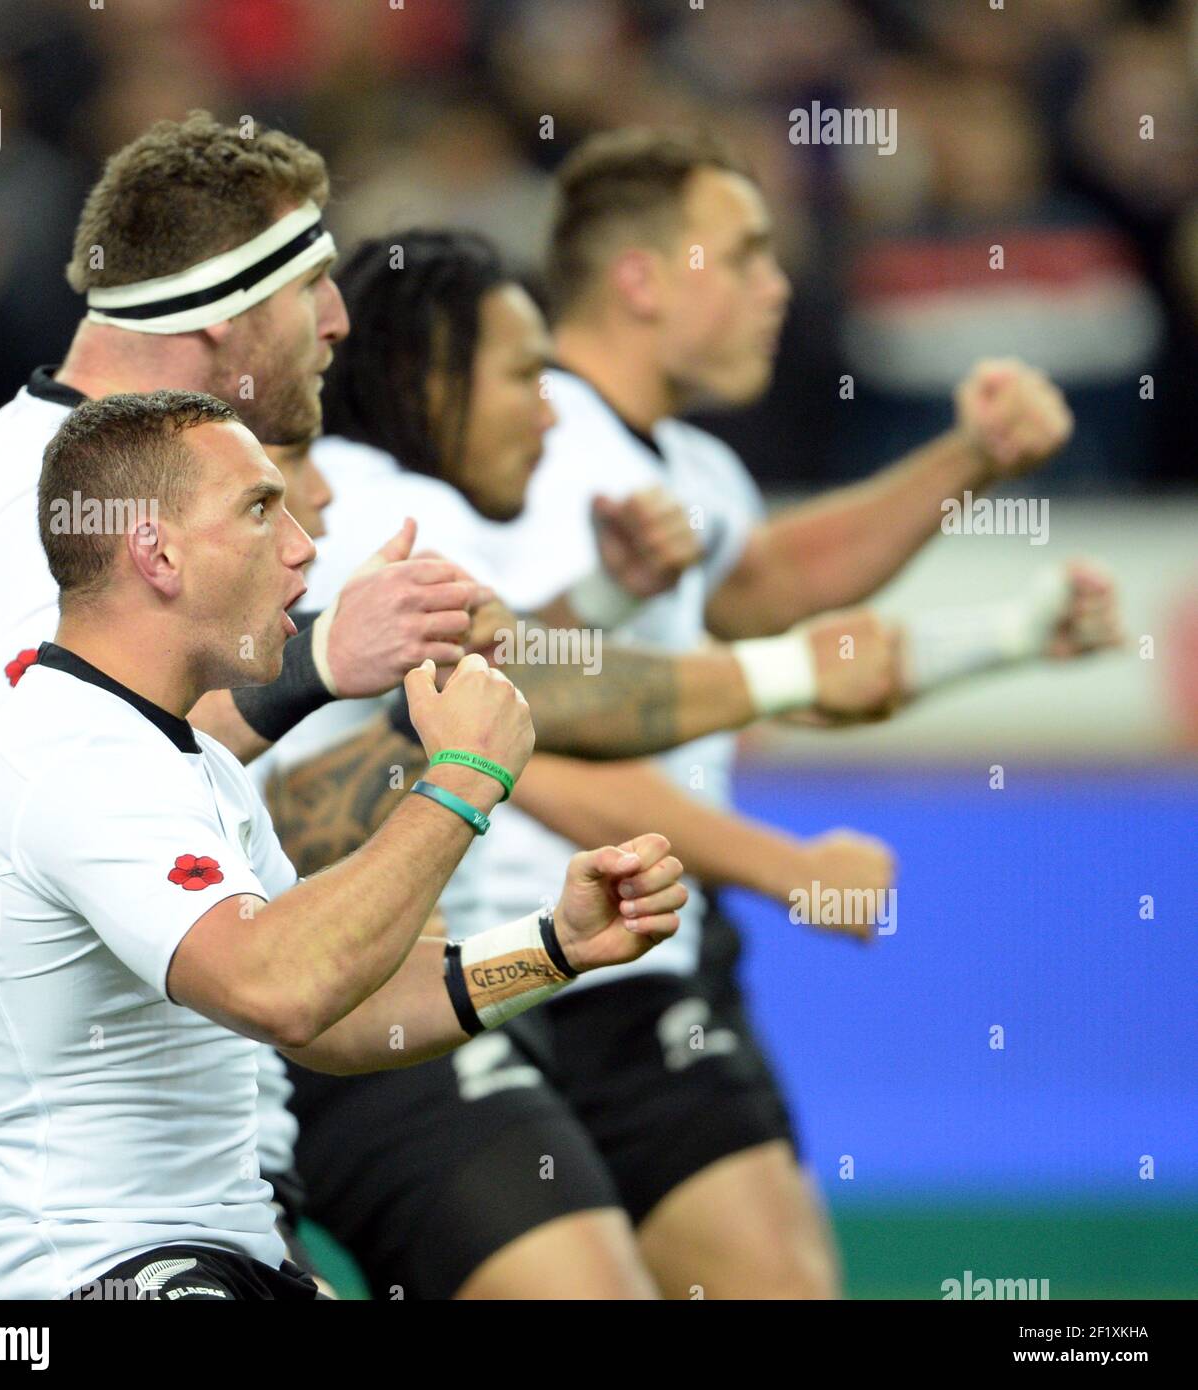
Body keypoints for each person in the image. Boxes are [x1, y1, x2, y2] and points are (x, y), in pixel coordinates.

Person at [259, 225, 1118, 1299]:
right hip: (414, 992)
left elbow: (736, 625)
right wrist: (777, 843)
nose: (777, 286)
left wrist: (992, 628)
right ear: (640, 270)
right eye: (746, 252)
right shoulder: (397, 499)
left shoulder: (673, 473)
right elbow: (540, 723)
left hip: (496, 969)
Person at [0, 389, 687, 1301]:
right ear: (155, 551)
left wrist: (552, 944)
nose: (301, 546)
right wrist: (458, 782)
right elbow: (279, 989)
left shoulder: (183, 758)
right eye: (259, 508)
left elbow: (339, 1013)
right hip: (105, 1277)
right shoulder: (73, 757)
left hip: (212, 1259)